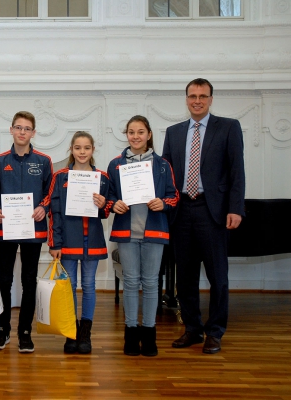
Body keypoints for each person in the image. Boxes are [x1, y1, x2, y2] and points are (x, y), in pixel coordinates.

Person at [163, 78, 245, 354]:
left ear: (211, 99)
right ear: (186, 99)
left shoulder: (229, 128)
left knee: (218, 277)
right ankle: (192, 329)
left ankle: (215, 332)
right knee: (184, 277)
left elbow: (237, 172)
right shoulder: (173, 132)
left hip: (214, 212)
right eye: (192, 96)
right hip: (181, 211)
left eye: (203, 96)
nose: (197, 100)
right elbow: (166, 175)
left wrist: (236, 208)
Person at [107, 115, 179, 357]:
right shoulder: (115, 164)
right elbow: (108, 196)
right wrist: (113, 203)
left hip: (155, 230)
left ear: (148, 135)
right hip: (127, 232)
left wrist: (163, 203)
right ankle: (130, 334)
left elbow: (174, 195)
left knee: (150, 283)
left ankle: (149, 334)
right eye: (131, 132)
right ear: (126, 135)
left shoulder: (162, 165)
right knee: (130, 282)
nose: (135, 136)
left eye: (140, 132)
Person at [0, 111, 53, 353]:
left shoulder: (44, 161)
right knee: (3, 281)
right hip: (5, 229)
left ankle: (25, 332)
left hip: (33, 231)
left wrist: (43, 207)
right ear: (11, 130)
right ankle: (2, 329)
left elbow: (50, 193)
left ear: (33, 133)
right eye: (18, 127)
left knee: (29, 281)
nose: (22, 132)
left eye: (27, 128)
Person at [48, 131, 109, 354]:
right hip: (68, 241)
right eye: (77, 148)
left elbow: (106, 212)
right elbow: (54, 212)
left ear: (93, 150)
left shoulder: (102, 177)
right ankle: (71, 332)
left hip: (92, 239)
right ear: (71, 150)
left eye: (86, 148)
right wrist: (55, 243)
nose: (82, 152)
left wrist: (104, 204)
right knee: (70, 286)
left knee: (90, 286)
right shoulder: (61, 177)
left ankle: (85, 334)